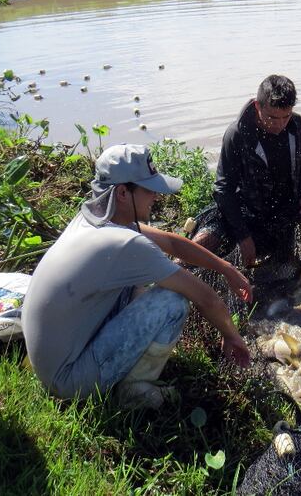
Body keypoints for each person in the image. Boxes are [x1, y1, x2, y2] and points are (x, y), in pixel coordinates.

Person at [22, 144, 253, 409]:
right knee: (172, 302)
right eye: (148, 190)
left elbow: (174, 244)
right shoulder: (125, 244)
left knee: (140, 280)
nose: (156, 196)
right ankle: (134, 391)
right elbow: (206, 298)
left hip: (52, 363)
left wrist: (225, 267)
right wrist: (231, 335)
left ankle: (128, 367)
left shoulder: (95, 219)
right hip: (70, 381)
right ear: (122, 192)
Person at [192, 75, 301, 268]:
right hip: (245, 212)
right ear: (258, 106)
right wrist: (243, 237)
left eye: (285, 116)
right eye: (272, 117)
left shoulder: (298, 126)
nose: (279, 124)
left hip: (282, 213)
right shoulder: (237, 134)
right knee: (203, 241)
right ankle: (171, 270)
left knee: (285, 267)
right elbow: (223, 189)